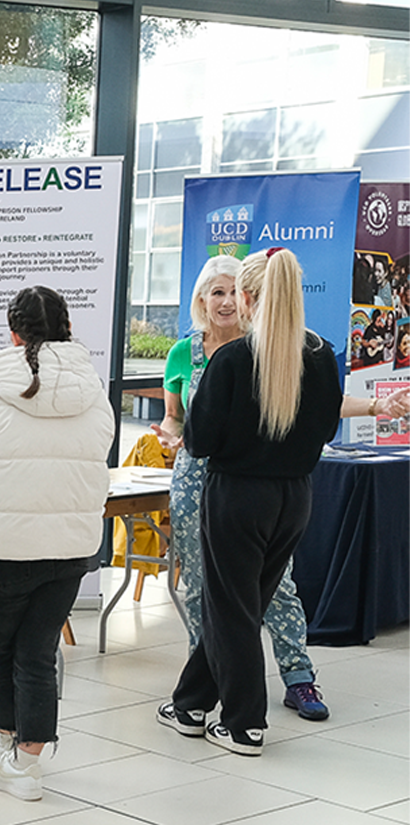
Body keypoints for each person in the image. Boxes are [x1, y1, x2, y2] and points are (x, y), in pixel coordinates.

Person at [153, 254, 410, 724]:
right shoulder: (316, 353)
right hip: (293, 498)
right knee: (244, 602)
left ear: (248, 298)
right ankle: (190, 703)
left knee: (231, 610)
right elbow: (324, 424)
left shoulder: (232, 359)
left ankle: (244, 723)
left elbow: (201, 439)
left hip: (237, 497)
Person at [0, 286, 115, 802]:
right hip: (70, 547)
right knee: (37, 652)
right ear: (69, 328)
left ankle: (8, 744)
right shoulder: (93, 391)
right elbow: (98, 448)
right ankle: (25, 761)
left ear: (13, 333)